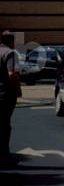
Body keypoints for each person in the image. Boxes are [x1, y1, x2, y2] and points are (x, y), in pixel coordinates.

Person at [0, 31, 21, 168]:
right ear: (12, 41)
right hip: (4, 95)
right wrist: (18, 89)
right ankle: (4, 157)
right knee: (4, 126)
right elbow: (12, 74)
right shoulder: (10, 53)